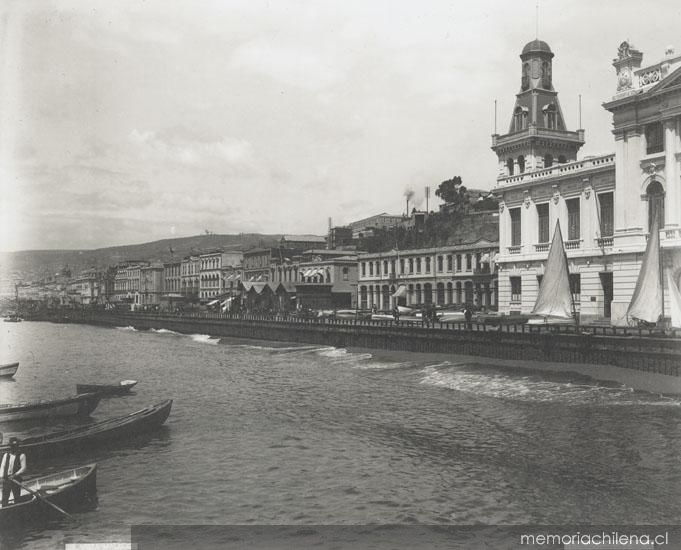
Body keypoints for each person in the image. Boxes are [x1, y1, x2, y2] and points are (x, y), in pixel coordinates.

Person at [1, 437, 27, 507]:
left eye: (15, 446)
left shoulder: (21, 455)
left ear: (18, 446)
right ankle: (5, 508)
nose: (13, 447)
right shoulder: (6, 455)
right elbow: (2, 467)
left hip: (16, 479)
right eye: (12, 446)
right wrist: (2, 477)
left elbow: (23, 468)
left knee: (17, 496)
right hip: (6, 479)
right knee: (5, 497)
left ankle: (17, 508)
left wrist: (15, 475)